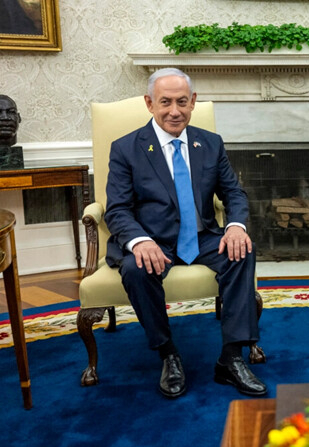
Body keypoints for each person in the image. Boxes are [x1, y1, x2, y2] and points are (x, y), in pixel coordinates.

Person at [104, 67, 266, 398]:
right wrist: (139, 241)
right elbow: (117, 209)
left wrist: (235, 226)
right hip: (152, 239)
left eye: (182, 102)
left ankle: (231, 358)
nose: (174, 111)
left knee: (242, 251)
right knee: (135, 268)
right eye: (165, 102)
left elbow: (233, 193)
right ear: (149, 103)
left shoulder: (210, 143)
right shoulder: (126, 148)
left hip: (202, 235)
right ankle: (168, 353)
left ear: (193, 102)